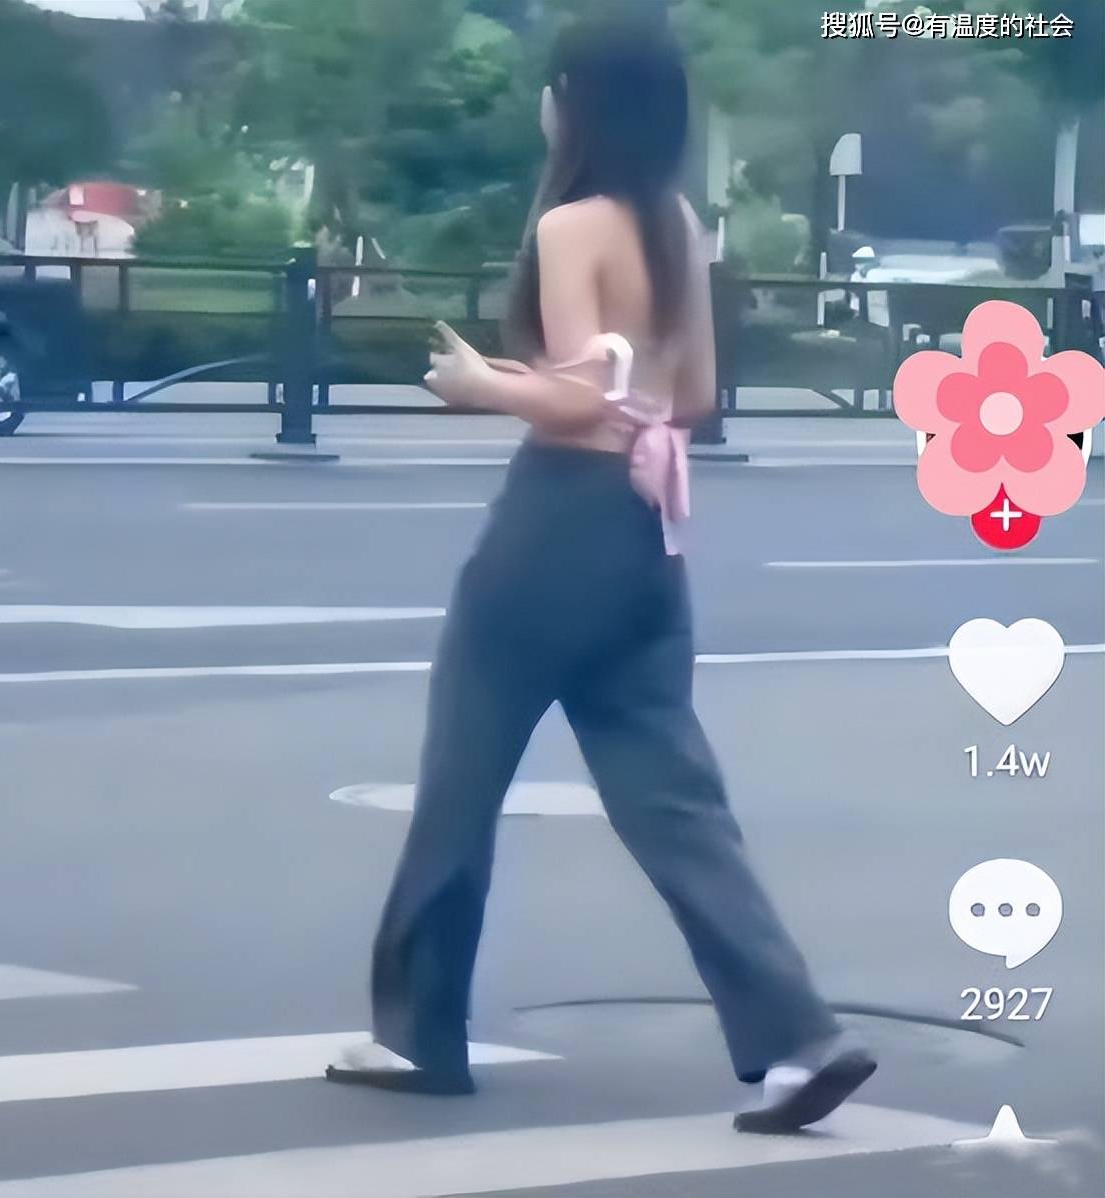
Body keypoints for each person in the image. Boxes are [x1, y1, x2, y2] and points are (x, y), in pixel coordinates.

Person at [326, 14, 875, 1134]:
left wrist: (482, 386)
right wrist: (560, 385)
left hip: (554, 527)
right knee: (676, 802)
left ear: (573, 99)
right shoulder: (676, 223)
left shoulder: (571, 224)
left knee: (460, 784)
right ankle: (797, 1038)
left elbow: (581, 398)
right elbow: (690, 395)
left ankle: (419, 1036)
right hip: (644, 532)